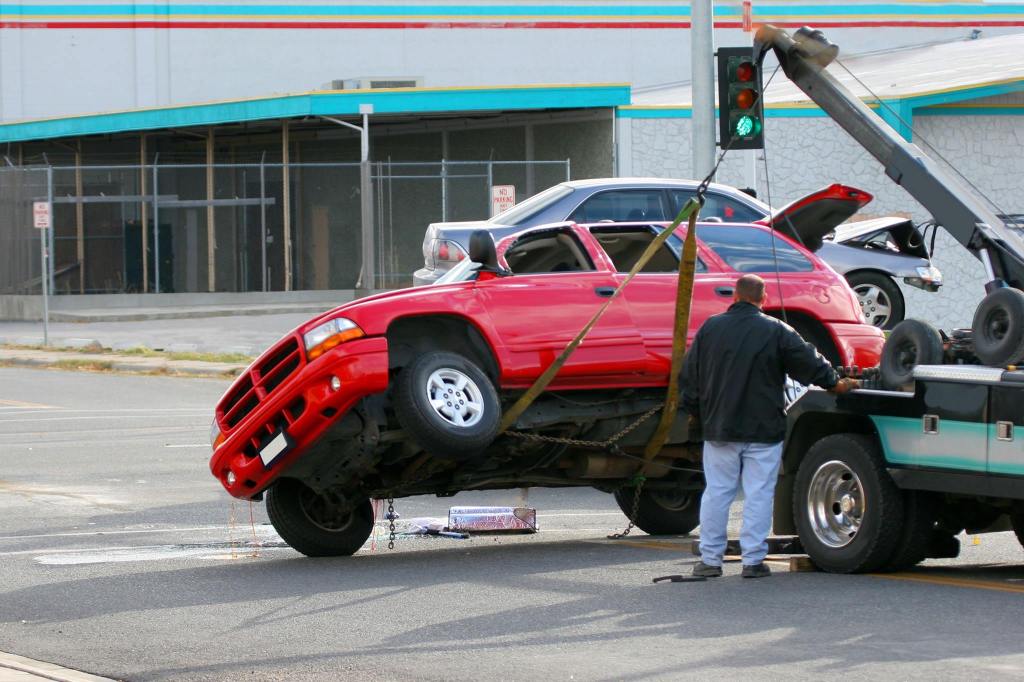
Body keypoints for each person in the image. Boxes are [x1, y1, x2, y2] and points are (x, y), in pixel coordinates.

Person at [681, 274, 858, 578]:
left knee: (717, 492)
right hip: (763, 429)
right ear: (763, 300)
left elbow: (689, 376)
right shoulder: (776, 329)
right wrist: (836, 383)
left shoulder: (710, 328)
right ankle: (752, 561)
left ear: (734, 297)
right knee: (759, 494)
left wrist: (696, 414)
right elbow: (810, 362)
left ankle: (710, 560)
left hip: (720, 427)